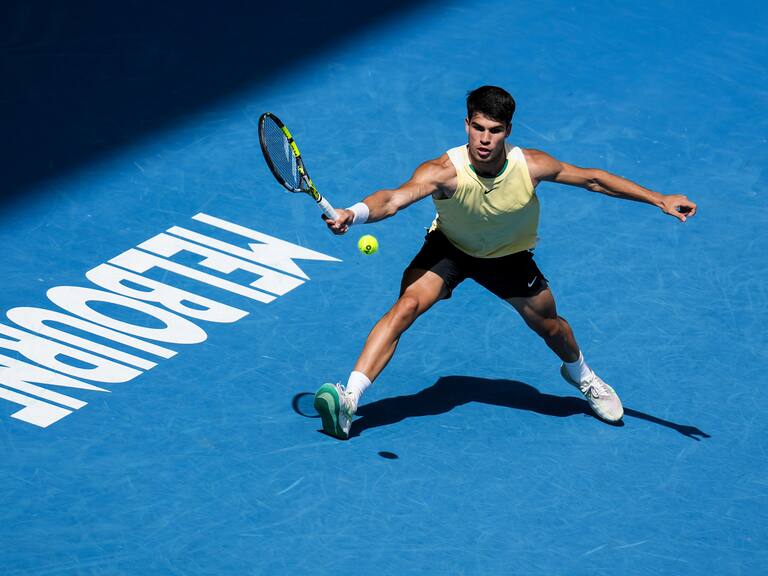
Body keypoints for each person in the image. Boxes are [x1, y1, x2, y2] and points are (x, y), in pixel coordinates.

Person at [313, 85, 697, 440]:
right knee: (406, 306)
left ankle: (583, 376)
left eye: (494, 130)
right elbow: (394, 199)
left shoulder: (530, 165)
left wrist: (658, 198)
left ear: (508, 130)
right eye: (477, 127)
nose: (483, 138)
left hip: (508, 257)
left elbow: (593, 179)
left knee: (552, 328)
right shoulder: (443, 172)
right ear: (466, 124)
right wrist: (356, 212)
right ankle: (350, 398)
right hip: (450, 248)